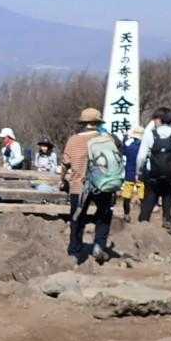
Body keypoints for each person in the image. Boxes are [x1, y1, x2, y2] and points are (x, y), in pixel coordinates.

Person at [62, 107, 119, 263]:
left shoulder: (73, 140)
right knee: (104, 215)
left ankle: (75, 251)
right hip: (102, 184)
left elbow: (65, 163)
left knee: (77, 218)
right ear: (98, 123)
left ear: (83, 123)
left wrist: (63, 180)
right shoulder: (107, 139)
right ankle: (99, 245)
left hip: (79, 186)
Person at [136, 107, 171, 230]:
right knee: (168, 204)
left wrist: (139, 172)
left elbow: (141, 157)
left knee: (147, 205)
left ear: (159, 119)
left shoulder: (150, 134)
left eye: (154, 119)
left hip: (152, 177)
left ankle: (142, 229)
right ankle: (168, 227)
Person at [119, 126, 144, 221]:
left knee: (126, 197)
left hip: (129, 174)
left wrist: (125, 138)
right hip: (141, 175)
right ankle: (143, 216)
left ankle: (126, 214)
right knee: (142, 197)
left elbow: (123, 151)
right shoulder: (144, 148)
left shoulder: (130, 147)